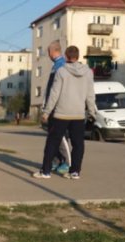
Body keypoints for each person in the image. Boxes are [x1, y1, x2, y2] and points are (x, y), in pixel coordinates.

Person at [33, 45, 96, 180]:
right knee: (78, 144)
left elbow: (54, 93)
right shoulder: (88, 72)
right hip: (78, 114)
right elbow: (90, 95)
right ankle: (75, 172)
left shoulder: (61, 71)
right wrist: (92, 112)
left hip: (61, 114)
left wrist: (46, 112)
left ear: (66, 56)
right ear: (78, 56)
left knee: (52, 143)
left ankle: (46, 172)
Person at [43, 40, 71, 174]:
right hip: (53, 107)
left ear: (52, 52)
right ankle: (56, 160)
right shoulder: (56, 65)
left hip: (58, 108)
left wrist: (49, 108)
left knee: (60, 137)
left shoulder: (61, 66)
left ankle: (67, 162)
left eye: (48, 52)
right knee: (53, 136)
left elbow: (56, 90)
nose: (48, 54)